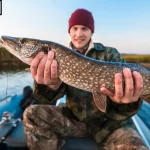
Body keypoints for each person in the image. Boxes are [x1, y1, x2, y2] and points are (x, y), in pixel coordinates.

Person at [23, 8, 149, 150]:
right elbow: (44, 98)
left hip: (111, 125)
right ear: (69, 31)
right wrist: (50, 86)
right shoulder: (55, 56)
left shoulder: (110, 54)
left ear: (91, 32)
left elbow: (125, 107)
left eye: (84, 28)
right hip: (75, 119)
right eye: (74, 28)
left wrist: (125, 103)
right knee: (31, 114)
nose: (79, 33)